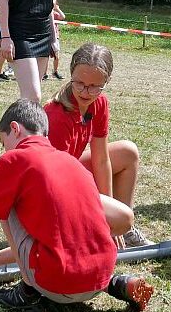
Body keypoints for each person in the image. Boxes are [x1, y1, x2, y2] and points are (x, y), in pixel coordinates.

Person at [0, 99, 154, 312]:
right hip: (100, 274)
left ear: (15, 128)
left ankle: (27, 292)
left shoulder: (12, 161)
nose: (4, 149)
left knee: (5, 203)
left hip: (58, 283)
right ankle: (118, 284)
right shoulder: (71, 162)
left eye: (3, 142)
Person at [45, 42, 150, 247]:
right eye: (79, 83)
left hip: (70, 173)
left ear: (107, 81)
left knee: (128, 152)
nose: (85, 92)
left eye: (94, 86)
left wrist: (112, 215)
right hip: (50, 185)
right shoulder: (56, 116)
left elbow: (101, 159)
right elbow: (56, 179)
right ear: (71, 75)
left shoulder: (99, 103)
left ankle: (124, 230)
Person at [43, 0, 67, 81]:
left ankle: (55, 72)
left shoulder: (55, 14)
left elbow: (63, 17)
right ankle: (44, 73)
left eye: (54, 4)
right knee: (45, 56)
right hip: (46, 37)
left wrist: (57, 9)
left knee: (57, 56)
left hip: (55, 37)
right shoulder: (45, 13)